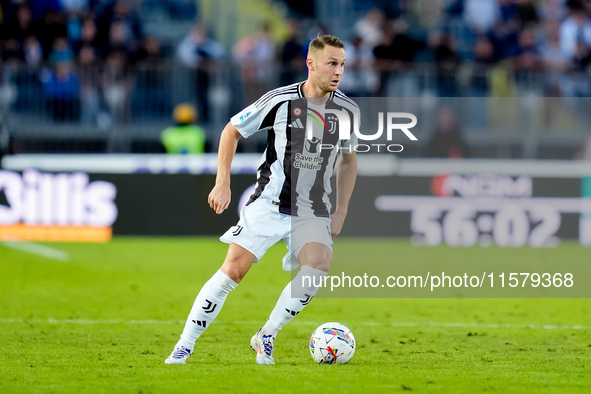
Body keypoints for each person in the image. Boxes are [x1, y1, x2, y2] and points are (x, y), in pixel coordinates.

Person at [164, 34, 359, 365]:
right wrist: (222, 184)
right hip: (268, 204)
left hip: (311, 211)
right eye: (331, 64)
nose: (338, 71)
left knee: (319, 265)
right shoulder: (281, 100)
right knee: (233, 271)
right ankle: (185, 344)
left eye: (342, 64)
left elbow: (349, 160)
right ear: (311, 64)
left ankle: (266, 335)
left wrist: (340, 211)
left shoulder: (347, 110)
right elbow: (231, 131)